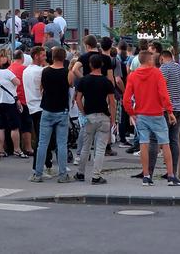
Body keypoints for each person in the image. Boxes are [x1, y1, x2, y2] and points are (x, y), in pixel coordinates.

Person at [123, 51, 180, 186]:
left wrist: (131, 113)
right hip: (157, 114)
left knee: (144, 144)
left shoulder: (133, 76)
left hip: (141, 115)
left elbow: (126, 99)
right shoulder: (156, 73)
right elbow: (163, 94)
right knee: (165, 143)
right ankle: (171, 175)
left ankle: (146, 175)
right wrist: (170, 111)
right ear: (149, 60)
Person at [30, 47, 74, 183]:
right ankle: (62, 175)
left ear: (52, 57)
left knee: (42, 143)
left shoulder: (45, 71)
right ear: (64, 57)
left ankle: (38, 174)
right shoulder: (68, 72)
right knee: (61, 144)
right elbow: (71, 85)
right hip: (62, 110)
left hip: (47, 109)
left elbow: (41, 89)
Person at [74, 54, 115, 185]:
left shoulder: (84, 80)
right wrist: (113, 119)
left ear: (90, 65)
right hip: (103, 116)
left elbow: (78, 99)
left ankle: (80, 173)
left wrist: (83, 112)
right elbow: (112, 102)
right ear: (102, 66)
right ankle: (96, 176)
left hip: (89, 116)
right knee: (100, 148)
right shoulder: (106, 82)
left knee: (86, 147)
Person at [154, 50, 180, 180]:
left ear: (162, 58)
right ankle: (173, 171)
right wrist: (178, 95)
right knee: (174, 139)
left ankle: (167, 171)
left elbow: (160, 87)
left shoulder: (164, 68)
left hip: (166, 108)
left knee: (163, 140)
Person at [24, 46, 55, 177]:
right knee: (44, 140)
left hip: (32, 107)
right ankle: (38, 167)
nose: (45, 57)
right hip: (42, 107)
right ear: (36, 56)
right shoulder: (41, 71)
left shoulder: (26, 71)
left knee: (42, 138)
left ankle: (46, 164)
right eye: (42, 55)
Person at [0, 55, 27, 158]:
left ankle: (1, 150)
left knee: (1, 127)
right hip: (9, 102)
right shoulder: (6, 72)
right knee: (14, 127)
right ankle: (17, 149)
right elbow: (17, 82)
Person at [8, 50, 33, 155]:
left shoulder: (8, 69)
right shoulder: (25, 70)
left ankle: (15, 148)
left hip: (12, 100)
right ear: (22, 58)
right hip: (23, 99)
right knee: (26, 126)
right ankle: (28, 148)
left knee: (14, 126)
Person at [116, 40, 134, 148]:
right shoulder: (124, 62)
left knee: (121, 116)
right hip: (121, 91)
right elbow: (120, 79)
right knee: (122, 116)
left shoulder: (116, 61)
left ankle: (121, 136)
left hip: (117, 91)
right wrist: (124, 91)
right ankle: (123, 138)